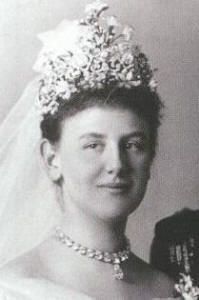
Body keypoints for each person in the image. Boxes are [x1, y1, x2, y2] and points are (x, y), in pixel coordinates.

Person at [0, 1, 177, 299]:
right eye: (93, 145)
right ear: (51, 158)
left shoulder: (167, 288)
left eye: (133, 144)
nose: (117, 164)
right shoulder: (14, 289)